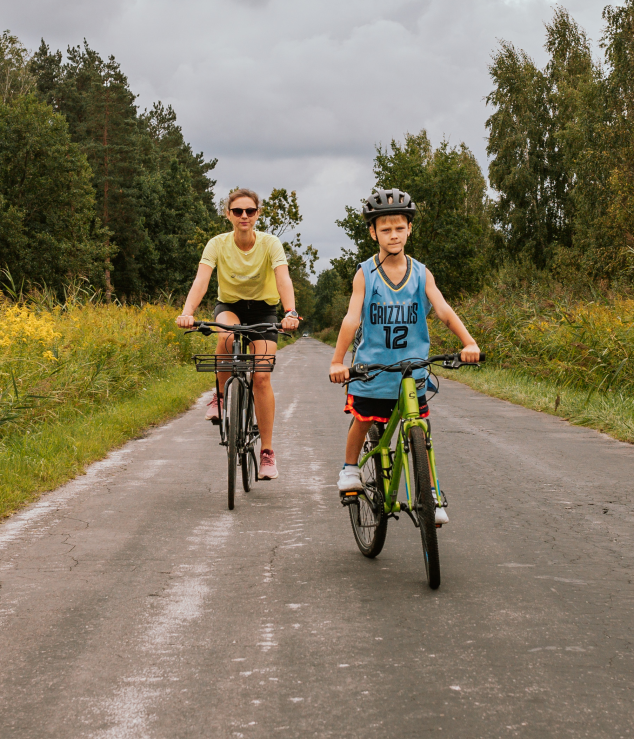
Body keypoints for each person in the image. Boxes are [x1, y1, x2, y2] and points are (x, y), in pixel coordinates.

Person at [329, 187, 480, 510]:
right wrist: (337, 361)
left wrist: (469, 342)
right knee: (364, 420)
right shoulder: (365, 274)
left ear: (410, 229)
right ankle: (350, 469)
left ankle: (432, 492)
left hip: (412, 371)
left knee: (420, 429)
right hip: (373, 371)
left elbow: (443, 310)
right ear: (373, 233)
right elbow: (351, 320)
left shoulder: (421, 273)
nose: (393, 235)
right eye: (385, 229)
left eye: (400, 228)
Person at [177, 187, 300, 480]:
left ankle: (267, 452)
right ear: (228, 214)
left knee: (261, 375)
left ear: (257, 214)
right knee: (226, 335)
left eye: (250, 211)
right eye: (237, 211)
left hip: (264, 312)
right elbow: (201, 280)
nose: (244, 216)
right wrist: (187, 312)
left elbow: (283, 279)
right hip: (230, 306)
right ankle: (219, 398)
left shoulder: (271, 244)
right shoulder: (217, 244)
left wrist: (290, 312)